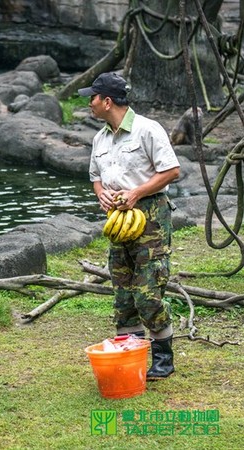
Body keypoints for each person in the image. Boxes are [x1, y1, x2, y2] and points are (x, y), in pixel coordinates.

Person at [78, 72, 180, 380]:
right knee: (123, 294)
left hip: (149, 216)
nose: (89, 103)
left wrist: (136, 192)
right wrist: (102, 195)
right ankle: (130, 355)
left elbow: (172, 170)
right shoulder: (100, 138)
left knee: (147, 291)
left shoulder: (148, 130)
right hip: (118, 219)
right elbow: (95, 176)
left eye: (92, 97)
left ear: (107, 102)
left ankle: (164, 358)